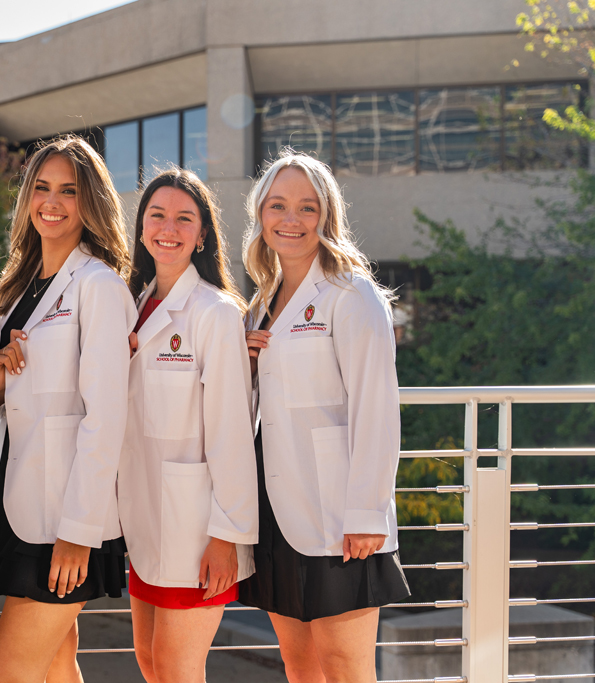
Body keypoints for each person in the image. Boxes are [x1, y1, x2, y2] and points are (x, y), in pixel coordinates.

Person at [239, 149, 410, 683]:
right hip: (275, 509)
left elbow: (377, 408)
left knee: (345, 668)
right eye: (278, 206)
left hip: (339, 515)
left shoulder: (352, 293)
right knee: (299, 663)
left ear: (327, 215)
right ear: (260, 215)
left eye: (307, 208)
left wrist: (366, 513)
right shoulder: (262, 300)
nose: (291, 220)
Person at [0, 136, 136, 683]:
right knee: (55, 667)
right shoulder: (19, 285)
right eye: (42, 188)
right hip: (20, 496)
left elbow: (106, 414)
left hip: (64, 518)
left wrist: (80, 529)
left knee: (12, 672)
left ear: (89, 202)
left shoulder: (100, 285)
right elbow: (8, 396)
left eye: (69, 190)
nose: (52, 201)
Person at [118, 168, 258, 683]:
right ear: (141, 228)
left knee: (178, 670)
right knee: (150, 661)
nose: (168, 228)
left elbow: (231, 432)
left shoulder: (216, 312)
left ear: (202, 235)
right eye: (157, 215)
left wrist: (227, 536)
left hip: (197, 528)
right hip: (145, 516)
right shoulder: (131, 305)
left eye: (184, 218)